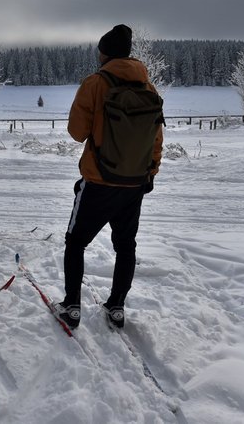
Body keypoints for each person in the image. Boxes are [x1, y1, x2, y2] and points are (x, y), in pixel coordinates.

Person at [55, 24, 163, 330]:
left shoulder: (95, 83)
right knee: (125, 246)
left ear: (104, 53)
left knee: (75, 242)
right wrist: (150, 172)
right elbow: (156, 137)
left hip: (99, 180)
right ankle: (116, 307)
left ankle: (71, 307)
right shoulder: (148, 87)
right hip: (134, 183)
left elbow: (77, 133)